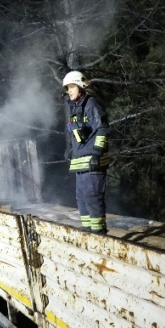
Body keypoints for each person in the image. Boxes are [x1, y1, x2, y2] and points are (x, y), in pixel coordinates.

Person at [63, 70, 110, 234]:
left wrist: (97, 153)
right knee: (82, 200)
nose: (69, 91)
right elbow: (78, 134)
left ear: (81, 86)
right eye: (67, 88)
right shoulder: (76, 109)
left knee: (92, 198)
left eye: (71, 87)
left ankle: (99, 236)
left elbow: (102, 129)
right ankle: (89, 233)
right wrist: (71, 150)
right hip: (80, 163)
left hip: (92, 162)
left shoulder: (91, 104)